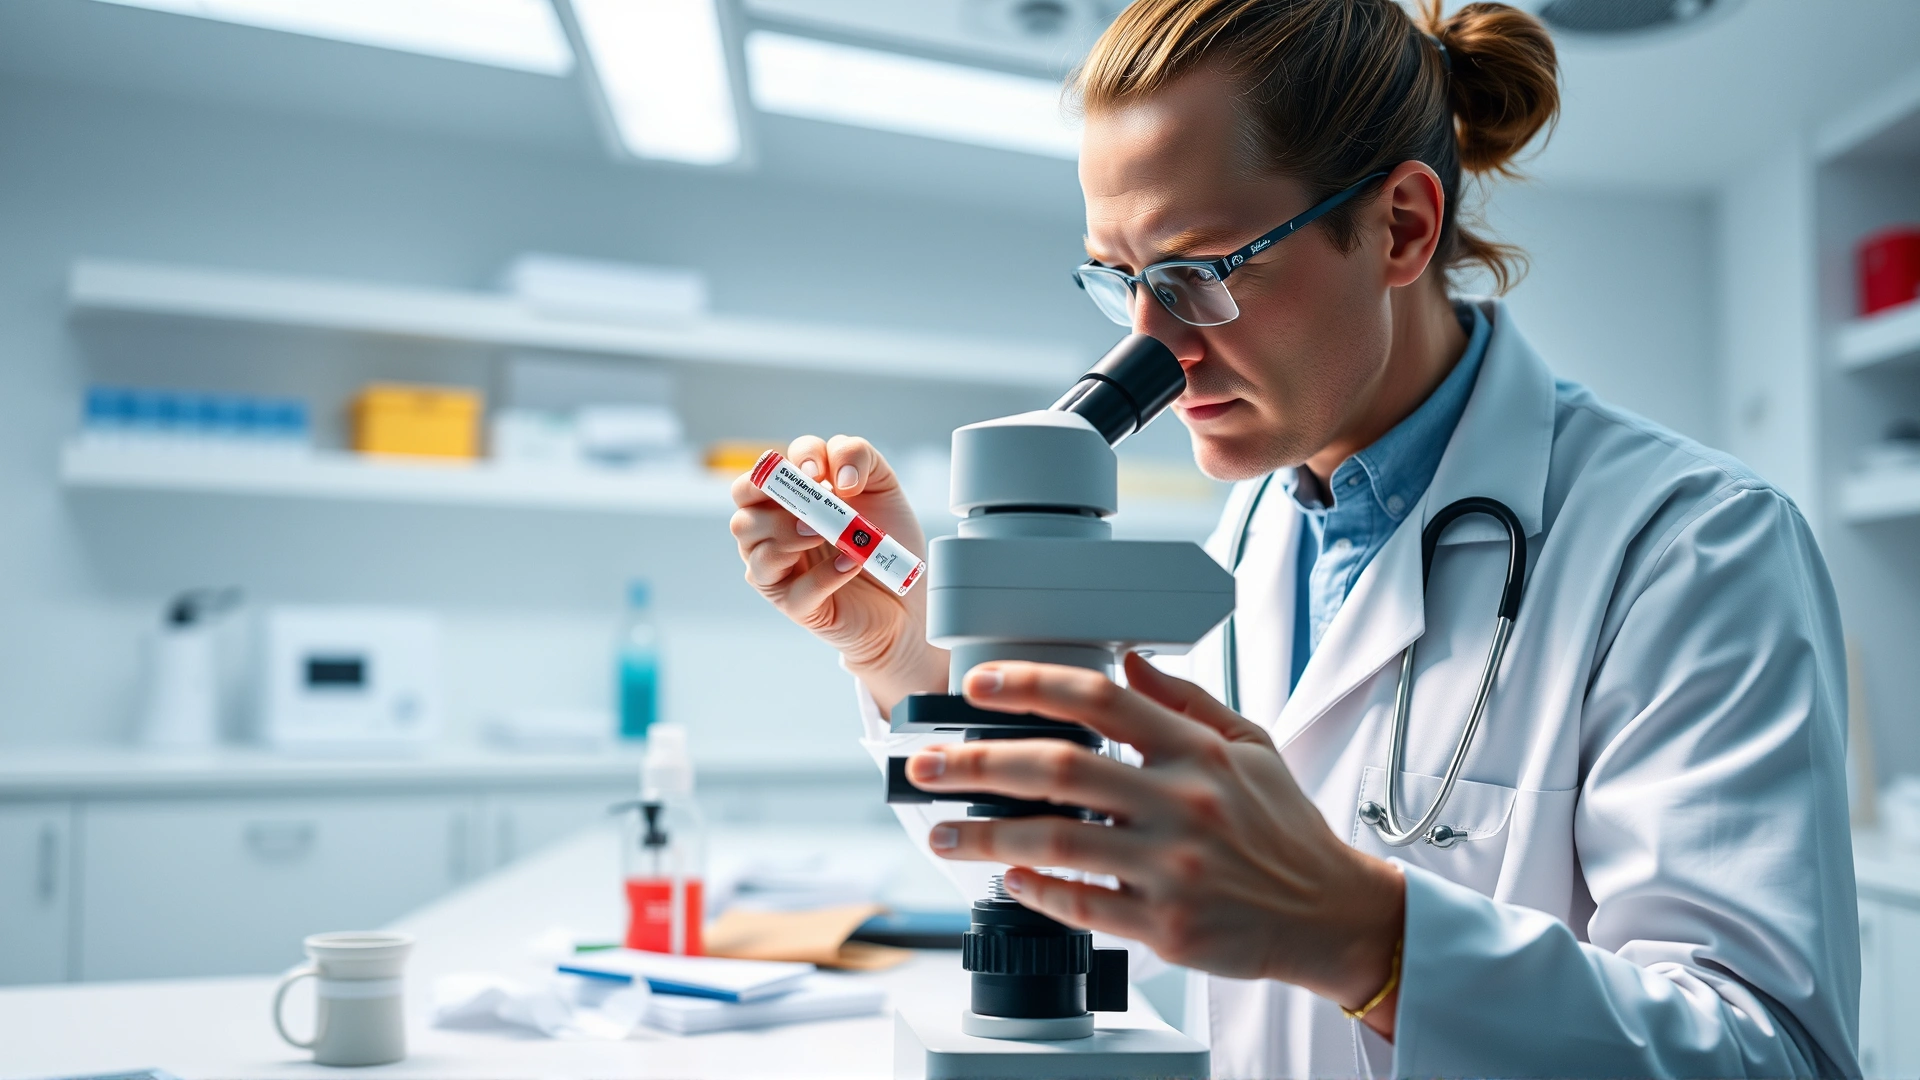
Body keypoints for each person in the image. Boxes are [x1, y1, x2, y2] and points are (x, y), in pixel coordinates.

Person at [728, 0, 1859, 1075]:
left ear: (1400, 228)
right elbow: (1073, 852)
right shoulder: (1256, 538)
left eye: (1196, 276)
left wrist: (1361, 934)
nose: (1151, 350)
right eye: (1118, 280)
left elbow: (1774, 1056)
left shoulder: (1689, 548)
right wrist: (905, 655)